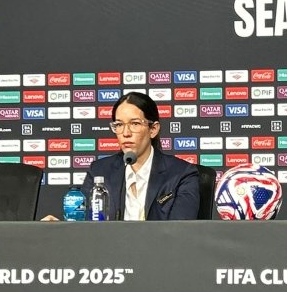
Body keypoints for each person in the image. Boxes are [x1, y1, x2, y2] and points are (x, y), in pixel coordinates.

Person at [43, 91, 199, 220]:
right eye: (119, 125)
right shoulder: (100, 171)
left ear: (153, 129)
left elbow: (180, 232)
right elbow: (82, 225)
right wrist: (60, 228)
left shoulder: (181, 174)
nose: (126, 133)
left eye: (135, 124)